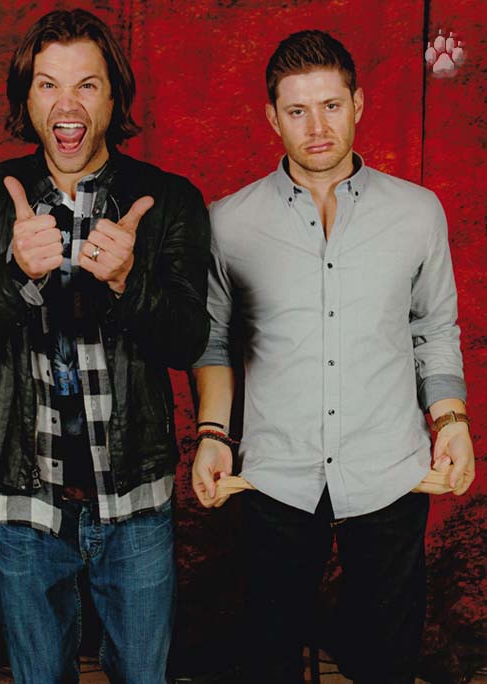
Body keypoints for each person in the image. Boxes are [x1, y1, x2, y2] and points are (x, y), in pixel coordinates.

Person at [0, 9, 210, 684]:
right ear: (26, 99)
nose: (67, 104)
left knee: (142, 674)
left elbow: (189, 340)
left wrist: (128, 282)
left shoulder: (168, 200)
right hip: (27, 502)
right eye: (48, 84)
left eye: (87, 85)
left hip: (135, 499)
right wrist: (14, 276)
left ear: (113, 98)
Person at [191, 30, 474, 684]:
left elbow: (433, 326)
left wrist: (451, 420)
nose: (316, 127)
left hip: (389, 470)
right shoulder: (227, 222)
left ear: (358, 104)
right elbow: (214, 340)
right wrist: (213, 435)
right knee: (267, 661)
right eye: (297, 110)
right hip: (275, 474)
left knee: (385, 662)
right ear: (272, 117)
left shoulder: (417, 212)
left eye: (331, 106)